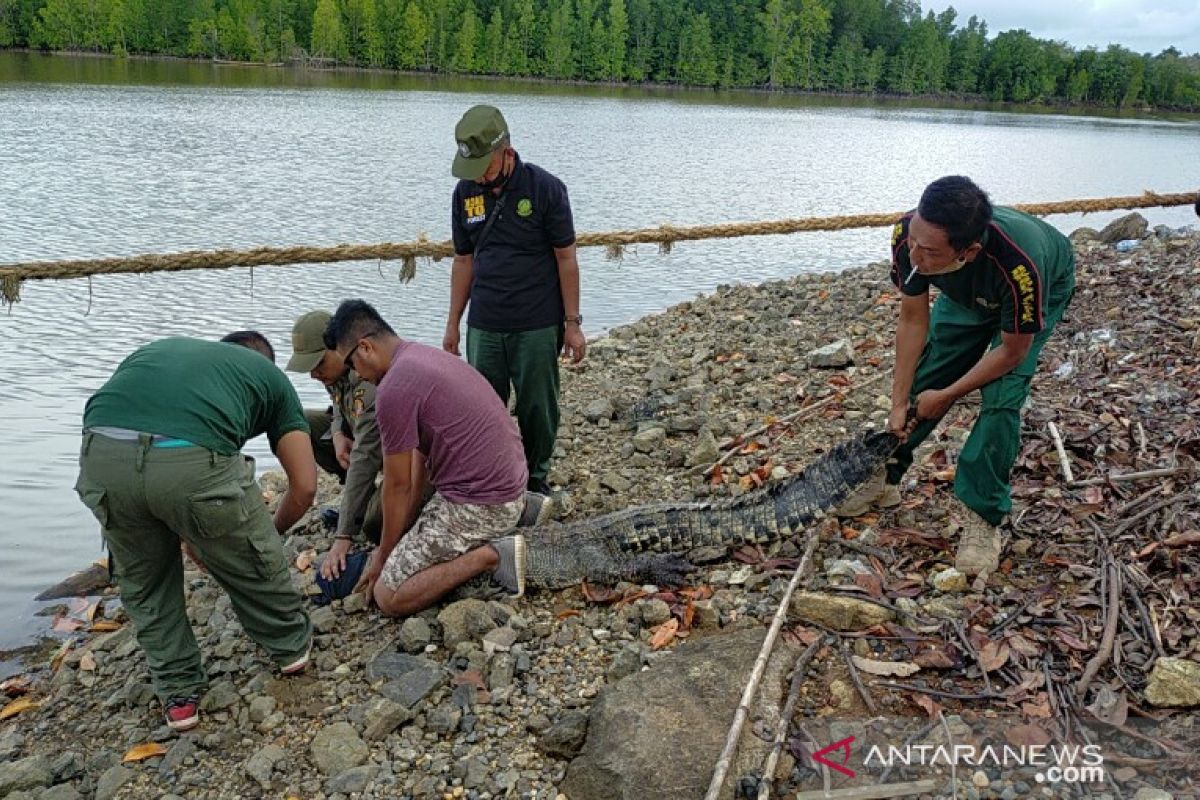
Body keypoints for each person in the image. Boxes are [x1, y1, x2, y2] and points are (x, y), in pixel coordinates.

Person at [836, 176, 1075, 583]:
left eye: (927, 251)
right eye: (913, 241)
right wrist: (899, 402)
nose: (914, 254)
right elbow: (913, 319)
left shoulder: (1021, 268)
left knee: (1002, 398)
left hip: (1035, 288)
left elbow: (1012, 351)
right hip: (965, 291)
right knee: (926, 375)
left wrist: (948, 395)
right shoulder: (909, 236)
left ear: (969, 250)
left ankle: (984, 516)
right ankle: (885, 476)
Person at [74, 334, 316, 732]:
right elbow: (305, 486)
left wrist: (190, 527)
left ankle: (179, 695)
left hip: (102, 457)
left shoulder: (162, 350)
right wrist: (259, 534)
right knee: (252, 555)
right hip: (190, 464)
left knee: (147, 584)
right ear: (264, 362)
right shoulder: (270, 379)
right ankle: (290, 646)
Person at [325, 299, 533, 616]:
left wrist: (383, 557)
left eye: (351, 364)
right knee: (400, 529)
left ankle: (493, 555)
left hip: (484, 502)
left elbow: (397, 485)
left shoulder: (392, 390)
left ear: (365, 347)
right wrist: (408, 524)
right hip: (510, 479)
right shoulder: (419, 356)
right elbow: (418, 463)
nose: (355, 375)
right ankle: (522, 507)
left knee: (389, 596)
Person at [443, 104, 585, 495]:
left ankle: (536, 479)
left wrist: (572, 324)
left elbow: (566, 258)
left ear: (507, 150)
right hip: (485, 322)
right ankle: (492, 479)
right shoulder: (465, 192)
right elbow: (463, 260)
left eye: (486, 167)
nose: (481, 177)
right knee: (482, 408)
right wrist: (454, 321)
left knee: (537, 407)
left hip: (536, 323)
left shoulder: (546, 189)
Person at [285, 310, 383, 580]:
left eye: (318, 364)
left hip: (401, 458)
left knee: (376, 527)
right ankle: (361, 499)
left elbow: (364, 457)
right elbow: (339, 401)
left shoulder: (368, 380)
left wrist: (344, 536)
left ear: (340, 346)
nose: (314, 375)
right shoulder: (335, 373)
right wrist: (338, 433)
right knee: (302, 423)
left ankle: (364, 506)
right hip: (365, 443)